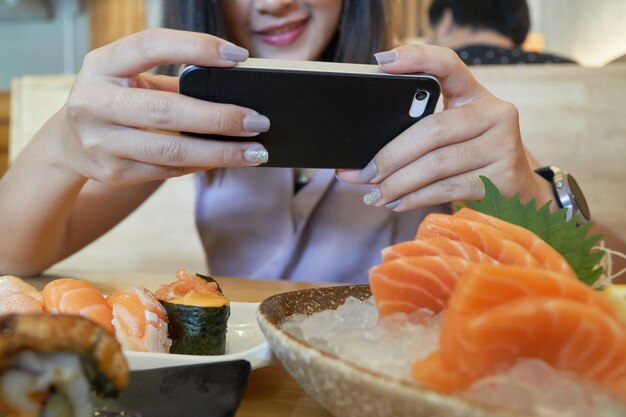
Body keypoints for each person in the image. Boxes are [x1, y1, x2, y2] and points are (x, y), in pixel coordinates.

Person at [0, 0, 616, 283]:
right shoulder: (189, 112)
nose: (274, 3)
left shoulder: (429, 109)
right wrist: (60, 144)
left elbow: (596, 274)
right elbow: (11, 258)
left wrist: (526, 188)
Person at [427, 0, 577, 65]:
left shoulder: (429, 75)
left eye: (430, 33)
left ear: (445, 21)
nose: (428, 40)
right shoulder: (570, 69)